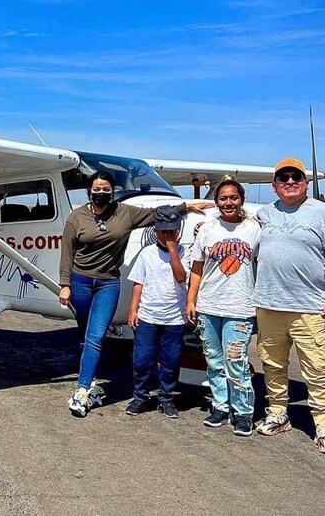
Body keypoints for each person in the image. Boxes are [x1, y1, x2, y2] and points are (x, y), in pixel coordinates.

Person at [59, 172, 211, 417]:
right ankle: (92, 377)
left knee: (96, 336)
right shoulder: (76, 217)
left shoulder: (125, 212)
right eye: (96, 189)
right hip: (80, 281)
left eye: (106, 189)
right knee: (84, 332)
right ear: (89, 191)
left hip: (108, 282)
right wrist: (65, 283)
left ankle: (83, 388)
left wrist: (187, 205)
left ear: (112, 191)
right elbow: (67, 252)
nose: (101, 193)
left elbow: (157, 215)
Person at [252, 158, 325, 455]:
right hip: (269, 303)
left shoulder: (324, 214)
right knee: (271, 363)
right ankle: (278, 413)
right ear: (274, 185)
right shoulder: (265, 214)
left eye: (296, 177)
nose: (290, 182)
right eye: (284, 178)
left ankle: (323, 423)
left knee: (317, 368)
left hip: (309, 306)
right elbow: (235, 219)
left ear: (306, 183)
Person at [187, 179, 261, 437]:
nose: (228, 203)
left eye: (233, 198)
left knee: (236, 361)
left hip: (240, 307)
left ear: (241, 199)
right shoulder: (207, 230)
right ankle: (220, 406)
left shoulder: (255, 229)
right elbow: (196, 268)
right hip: (208, 305)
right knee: (214, 361)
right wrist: (190, 300)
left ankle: (243, 413)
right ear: (216, 202)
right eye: (223, 198)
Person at [125, 205, 190, 419]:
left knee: (170, 361)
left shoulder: (185, 253)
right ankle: (140, 397)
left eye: (172, 231)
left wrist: (173, 251)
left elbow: (181, 277)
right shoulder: (147, 253)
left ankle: (166, 398)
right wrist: (133, 309)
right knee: (142, 359)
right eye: (163, 232)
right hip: (148, 316)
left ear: (178, 231)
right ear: (156, 232)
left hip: (174, 318)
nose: (168, 235)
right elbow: (138, 283)